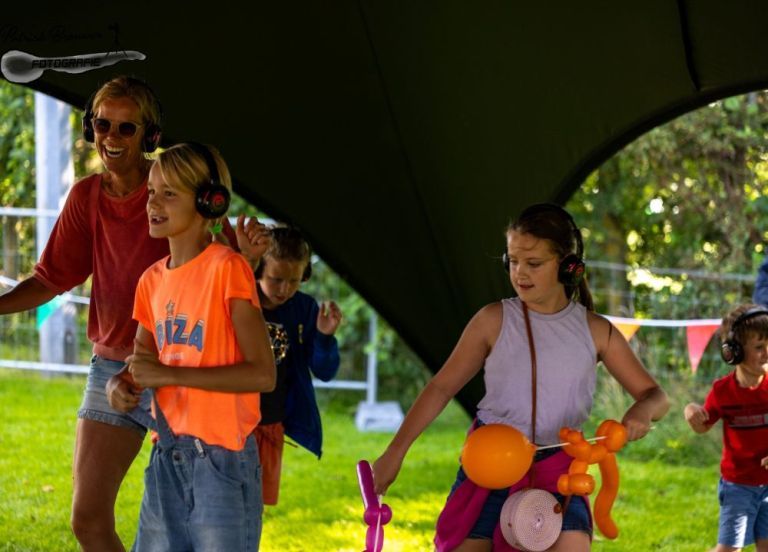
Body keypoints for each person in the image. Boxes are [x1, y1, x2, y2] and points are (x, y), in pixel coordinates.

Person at [0, 76, 268, 551]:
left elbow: (225, 280)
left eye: (127, 128)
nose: (112, 137)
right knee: (88, 518)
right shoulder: (88, 197)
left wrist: (245, 258)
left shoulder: (180, 184)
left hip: (188, 369)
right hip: (120, 366)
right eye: (103, 125)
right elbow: (52, 277)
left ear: (150, 135)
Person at [372, 203, 669, 552]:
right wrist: (395, 452)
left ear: (567, 266)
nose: (520, 273)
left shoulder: (597, 331)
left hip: (561, 477)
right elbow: (441, 387)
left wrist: (642, 410)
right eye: (513, 261)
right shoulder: (493, 320)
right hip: (488, 469)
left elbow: (656, 396)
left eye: (533, 263)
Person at [109, 142, 276, 550]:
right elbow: (141, 365)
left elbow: (262, 373)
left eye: (170, 193)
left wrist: (168, 374)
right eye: (152, 191)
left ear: (209, 202)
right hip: (166, 458)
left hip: (221, 464)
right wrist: (121, 385)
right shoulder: (150, 281)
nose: (154, 202)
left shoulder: (228, 268)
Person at [252, 226, 342, 506]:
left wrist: (325, 337)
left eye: (294, 281)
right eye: (276, 279)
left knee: (254, 507)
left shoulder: (304, 309)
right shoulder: (240, 299)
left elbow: (324, 372)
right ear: (257, 271)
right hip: (232, 423)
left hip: (270, 424)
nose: (285, 290)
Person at [684, 303, 768, 552]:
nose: (767, 353)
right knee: (729, 549)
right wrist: (691, 411)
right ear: (734, 352)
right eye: (759, 347)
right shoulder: (723, 392)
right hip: (738, 486)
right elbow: (703, 426)